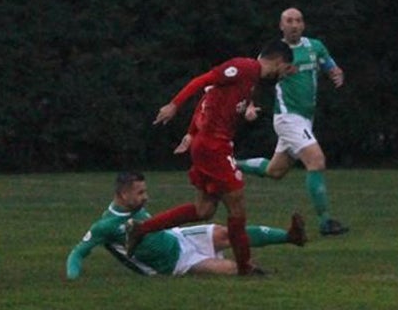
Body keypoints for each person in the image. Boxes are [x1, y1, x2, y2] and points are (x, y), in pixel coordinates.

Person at [124, 39, 296, 274]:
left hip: (211, 144)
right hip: (213, 146)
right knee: (237, 207)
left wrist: (195, 131)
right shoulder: (244, 67)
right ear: (279, 61)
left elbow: (210, 97)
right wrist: (174, 106)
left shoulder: (250, 80)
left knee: (204, 210)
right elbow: (203, 81)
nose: (283, 75)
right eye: (286, 69)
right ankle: (244, 267)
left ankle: (141, 229)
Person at [67, 171, 306, 279]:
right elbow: (78, 253)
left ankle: (290, 236)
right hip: (174, 264)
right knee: (229, 270)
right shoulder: (105, 226)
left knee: (228, 233)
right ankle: (259, 273)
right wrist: (72, 277)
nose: (145, 197)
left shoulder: (136, 208)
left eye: (145, 191)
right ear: (122, 195)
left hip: (179, 237)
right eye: (140, 193)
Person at [237, 7, 348, 237]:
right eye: (289, 21)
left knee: (275, 171)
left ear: (303, 25)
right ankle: (326, 222)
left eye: (298, 20)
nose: (294, 25)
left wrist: (336, 73)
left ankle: (232, 163)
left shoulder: (314, 47)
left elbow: (331, 67)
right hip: (288, 118)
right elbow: (252, 80)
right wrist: (248, 104)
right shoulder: (274, 54)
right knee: (316, 161)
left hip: (306, 119)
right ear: (281, 26)